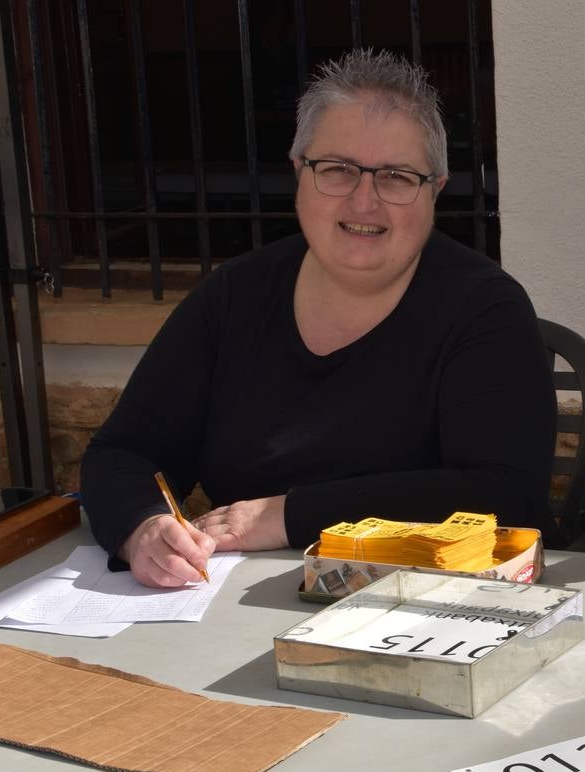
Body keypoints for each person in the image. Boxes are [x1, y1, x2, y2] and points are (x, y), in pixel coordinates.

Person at [81, 49, 555, 588]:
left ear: (436, 191)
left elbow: (503, 495)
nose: (364, 201)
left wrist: (287, 516)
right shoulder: (233, 296)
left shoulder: (485, 310)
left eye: (397, 177)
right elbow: (124, 452)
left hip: (429, 607)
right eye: (337, 170)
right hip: (224, 606)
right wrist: (142, 528)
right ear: (299, 174)